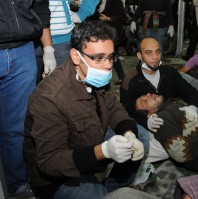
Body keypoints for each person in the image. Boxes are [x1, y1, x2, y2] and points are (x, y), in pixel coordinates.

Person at [24, 20, 148, 199]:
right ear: (76, 56)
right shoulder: (49, 97)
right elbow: (49, 161)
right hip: (55, 176)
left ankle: (114, 187)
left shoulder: (94, 74)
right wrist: (103, 151)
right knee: (99, 196)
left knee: (140, 136)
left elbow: (114, 109)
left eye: (111, 57)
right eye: (98, 58)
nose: (107, 65)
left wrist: (128, 133)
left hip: (89, 136)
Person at [0, 0, 50, 197]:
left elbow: (40, 6)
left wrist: (49, 49)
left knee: (18, 126)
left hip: (23, 49)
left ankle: (17, 184)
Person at [120, 36, 198, 132]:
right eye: (149, 53)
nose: (155, 57)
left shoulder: (168, 71)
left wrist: (193, 107)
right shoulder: (130, 80)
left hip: (169, 117)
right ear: (139, 56)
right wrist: (146, 122)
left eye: (157, 51)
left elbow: (189, 90)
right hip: (144, 125)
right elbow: (125, 112)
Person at [135, 93, 198, 173]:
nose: (147, 95)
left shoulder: (169, 106)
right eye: (144, 101)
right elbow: (180, 153)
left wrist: (192, 107)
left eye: (145, 95)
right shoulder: (160, 120)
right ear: (148, 115)